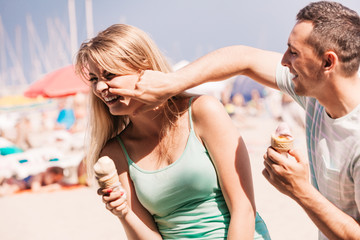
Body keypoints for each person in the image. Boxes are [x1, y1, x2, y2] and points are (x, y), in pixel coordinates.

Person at [106, 2, 360, 239]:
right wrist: (171, 83)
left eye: (293, 52)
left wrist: (300, 190)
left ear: (328, 62)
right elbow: (243, 59)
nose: (283, 61)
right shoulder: (317, 95)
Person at [75, 24, 270, 239]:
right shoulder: (114, 153)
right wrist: (123, 213)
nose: (100, 88)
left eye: (109, 75)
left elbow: (244, 208)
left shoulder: (203, 111)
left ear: (144, 68)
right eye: (94, 79)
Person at [0, 166, 65, 196]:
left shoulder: (48, 178)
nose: (54, 180)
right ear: (50, 174)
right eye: (53, 178)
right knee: (19, 186)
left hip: (14, 182)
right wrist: (51, 187)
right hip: (13, 181)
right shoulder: (39, 175)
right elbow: (35, 189)